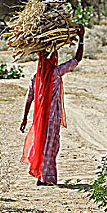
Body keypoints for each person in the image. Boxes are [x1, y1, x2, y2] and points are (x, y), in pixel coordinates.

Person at [20, 24, 85, 186]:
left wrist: (25, 119)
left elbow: (29, 99)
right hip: (52, 117)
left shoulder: (36, 77)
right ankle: (46, 178)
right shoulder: (55, 73)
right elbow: (77, 59)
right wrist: (81, 39)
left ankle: (41, 175)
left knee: (41, 144)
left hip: (40, 118)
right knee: (51, 146)